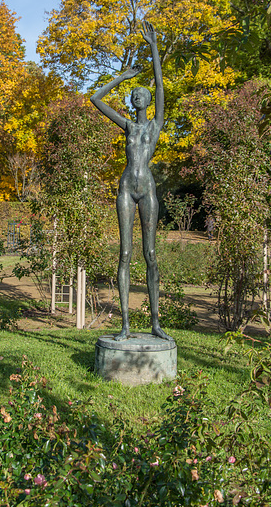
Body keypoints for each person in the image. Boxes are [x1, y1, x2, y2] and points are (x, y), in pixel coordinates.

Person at [91, 21, 169, 341]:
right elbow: (96, 99)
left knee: (150, 255)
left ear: (147, 101)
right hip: (126, 188)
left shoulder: (153, 127)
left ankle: (155, 322)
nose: (137, 95)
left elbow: (161, 86)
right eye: (133, 93)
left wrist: (153, 48)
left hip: (146, 188)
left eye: (141, 93)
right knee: (124, 254)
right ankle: (124, 324)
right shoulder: (127, 126)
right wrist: (120, 77)